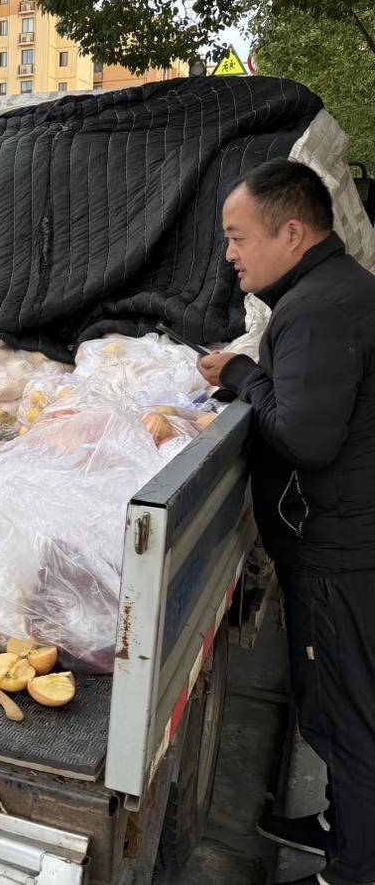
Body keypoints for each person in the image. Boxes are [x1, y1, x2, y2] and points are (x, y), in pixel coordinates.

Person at [197, 159, 375, 885]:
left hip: (339, 553)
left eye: (239, 238)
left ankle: (352, 868)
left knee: (347, 717)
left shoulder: (320, 309)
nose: (230, 254)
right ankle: (341, 822)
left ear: (292, 231)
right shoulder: (337, 291)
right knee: (338, 708)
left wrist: (240, 375)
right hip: (343, 538)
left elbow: (304, 436)